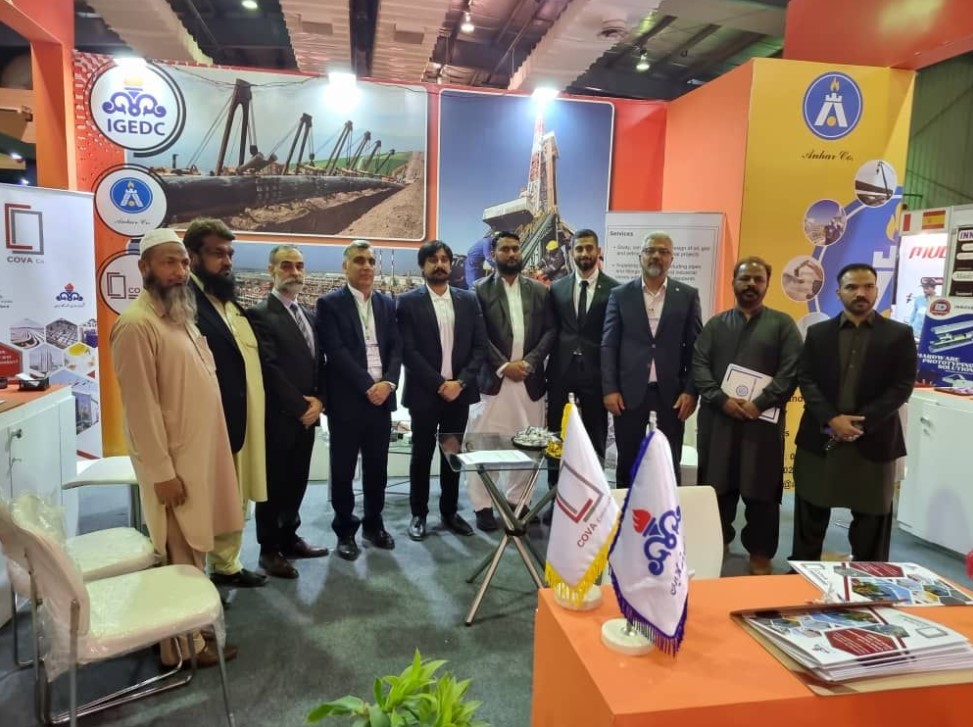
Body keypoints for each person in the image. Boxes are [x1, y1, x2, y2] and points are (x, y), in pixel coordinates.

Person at [110, 227, 240, 667]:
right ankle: (182, 648)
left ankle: (193, 633)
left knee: (194, 550)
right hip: (175, 467)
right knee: (179, 555)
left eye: (183, 262)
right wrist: (163, 473)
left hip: (197, 458)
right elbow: (141, 410)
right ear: (144, 267)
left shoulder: (178, 317)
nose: (180, 271)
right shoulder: (136, 326)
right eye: (169, 262)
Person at [790, 263, 917, 562]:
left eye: (868, 286)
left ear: (876, 290)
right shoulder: (818, 333)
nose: (861, 293)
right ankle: (800, 572)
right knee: (810, 511)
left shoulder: (899, 334)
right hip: (822, 437)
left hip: (874, 438)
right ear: (839, 293)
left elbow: (902, 386)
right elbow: (806, 378)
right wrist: (832, 419)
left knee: (872, 518)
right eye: (852, 287)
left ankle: (869, 575)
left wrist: (862, 423)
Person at [692, 257, 803, 575]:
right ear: (733, 283)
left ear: (767, 284)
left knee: (762, 491)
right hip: (719, 421)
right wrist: (721, 399)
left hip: (762, 425)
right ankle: (717, 542)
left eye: (758, 279)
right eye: (745, 279)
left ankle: (760, 553)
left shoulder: (783, 325)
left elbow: (791, 370)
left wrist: (760, 403)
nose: (751, 284)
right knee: (716, 486)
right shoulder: (716, 325)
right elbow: (699, 365)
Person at [185, 218, 268, 589]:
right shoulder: (183, 301)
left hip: (240, 419)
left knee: (233, 496)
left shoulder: (226, 299)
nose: (227, 261)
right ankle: (194, 579)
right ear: (193, 256)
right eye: (217, 253)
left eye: (229, 253)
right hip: (208, 423)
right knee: (207, 500)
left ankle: (227, 564)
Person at [397, 241, 487, 541]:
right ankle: (419, 514)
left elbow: (479, 346)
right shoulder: (408, 302)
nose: (440, 265)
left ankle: (449, 512)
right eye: (433, 260)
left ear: (450, 264)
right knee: (421, 455)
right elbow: (408, 350)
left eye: (444, 259)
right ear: (423, 266)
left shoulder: (468, 300)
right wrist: (439, 383)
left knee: (452, 454)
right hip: (425, 394)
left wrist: (459, 383)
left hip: (458, 395)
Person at [317, 240, 402, 560]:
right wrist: (369, 386)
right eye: (359, 260)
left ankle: (373, 524)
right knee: (343, 470)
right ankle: (345, 531)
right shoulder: (330, 303)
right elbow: (335, 351)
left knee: (377, 468)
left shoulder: (386, 303)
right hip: (348, 400)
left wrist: (388, 383)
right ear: (345, 266)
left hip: (382, 399)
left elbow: (396, 347)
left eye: (370, 261)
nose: (366, 266)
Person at [467, 231, 557, 531]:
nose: (511, 254)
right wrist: (505, 366)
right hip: (493, 384)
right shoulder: (478, 290)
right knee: (485, 445)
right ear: (493, 255)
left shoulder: (539, 291)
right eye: (505, 249)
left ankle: (519, 502)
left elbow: (550, 331)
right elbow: (478, 335)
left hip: (529, 382)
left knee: (528, 445)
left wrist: (529, 363)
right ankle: (483, 505)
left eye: (515, 249)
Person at [249, 245, 329, 579]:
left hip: (308, 417)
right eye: (286, 265)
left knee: (297, 480)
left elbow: (320, 363)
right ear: (271, 270)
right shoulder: (258, 314)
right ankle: (269, 549)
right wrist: (301, 407)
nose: (294, 272)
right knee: (274, 484)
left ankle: (289, 537)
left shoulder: (308, 314)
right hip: (280, 418)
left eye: (299, 266)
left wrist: (320, 401)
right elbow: (269, 368)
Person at [602, 231, 702, 487]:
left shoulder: (687, 295)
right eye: (650, 250)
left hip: (672, 396)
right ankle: (626, 509)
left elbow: (696, 349)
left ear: (672, 259)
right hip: (628, 395)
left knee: (669, 461)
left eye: (663, 251)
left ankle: (669, 510)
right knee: (628, 462)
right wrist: (610, 389)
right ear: (640, 257)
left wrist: (691, 391)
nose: (656, 255)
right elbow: (609, 345)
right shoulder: (620, 295)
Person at [546, 230, 618, 496]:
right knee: (555, 436)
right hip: (561, 372)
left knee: (595, 435)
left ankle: (594, 494)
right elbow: (552, 330)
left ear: (598, 251)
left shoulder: (615, 290)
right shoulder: (557, 288)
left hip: (596, 374)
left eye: (589, 248)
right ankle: (555, 496)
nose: (584, 253)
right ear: (572, 252)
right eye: (579, 249)